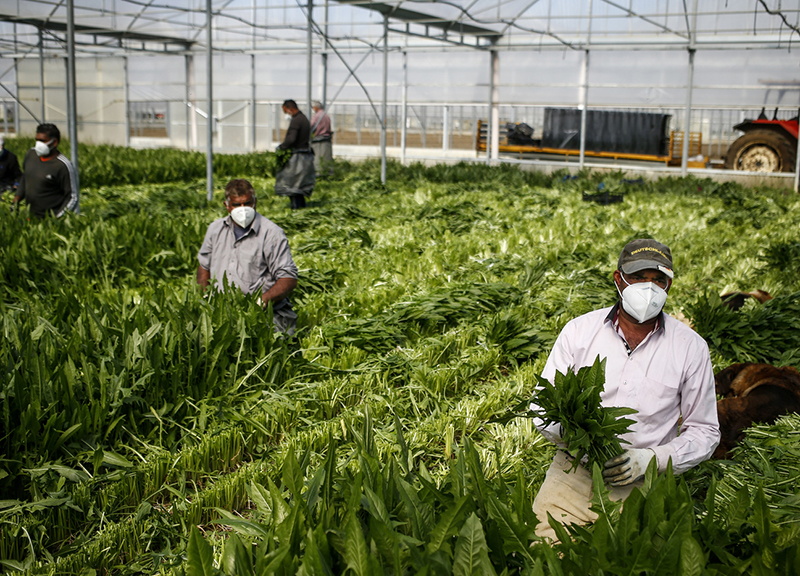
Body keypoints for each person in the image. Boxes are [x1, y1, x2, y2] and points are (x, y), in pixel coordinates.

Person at [530, 239, 720, 541]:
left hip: (642, 487)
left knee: (630, 561)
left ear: (669, 285)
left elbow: (705, 431)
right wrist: (580, 436)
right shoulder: (579, 332)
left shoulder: (690, 348)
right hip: (571, 475)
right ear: (619, 280)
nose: (650, 288)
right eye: (639, 278)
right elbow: (542, 409)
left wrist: (651, 459)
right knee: (544, 554)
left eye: (659, 280)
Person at [197, 178, 299, 334]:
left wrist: (263, 300)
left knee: (269, 347)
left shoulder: (272, 233)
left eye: (248, 203)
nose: (243, 210)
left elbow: (288, 278)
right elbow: (204, 266)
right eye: (237, 205)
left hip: (263, 312)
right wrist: (206, 298)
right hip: (223, 312)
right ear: (227, 206)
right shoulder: (215, 230)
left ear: (255, 202)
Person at [13, 123, 79, 218]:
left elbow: (72, 197)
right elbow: (25, 177)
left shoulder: (62, 165)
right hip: (30, 217)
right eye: (37, 140)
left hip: (50, 219)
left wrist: (57, 218)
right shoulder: (31, 155)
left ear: (54, 142)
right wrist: (17, 198)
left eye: (42, 141)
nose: (38, 144)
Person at [275, 99, 315, 210]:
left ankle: (296, 208)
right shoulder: (303, 118)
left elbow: (291, 139)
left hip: (297, 157)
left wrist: (282, 147)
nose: (286, 114)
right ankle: (301, 207)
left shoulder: (296, 120)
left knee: (293, 185)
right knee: (299, 185)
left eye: (285, 111)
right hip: (304, 155)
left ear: (290, 109)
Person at [310, 100, 334, 177]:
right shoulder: (326, 116)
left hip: (318, 140)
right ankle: (328, 174)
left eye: (313, 108)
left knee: (318, 158)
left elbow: (310, 126)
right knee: (326, 158)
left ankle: (318, 174)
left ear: (315, 107)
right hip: (326, 139)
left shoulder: (316, 116)